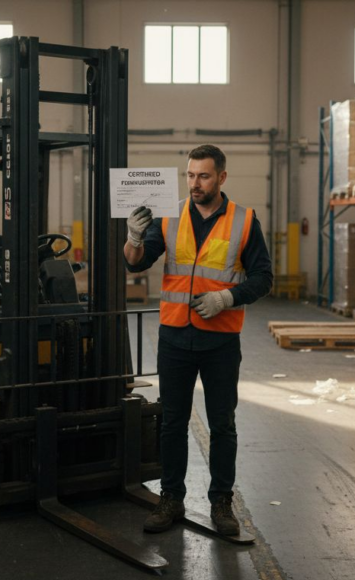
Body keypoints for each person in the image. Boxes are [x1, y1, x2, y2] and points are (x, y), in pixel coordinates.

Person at [124, 144, 273, 536]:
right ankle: (171, 499)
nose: (195, 183)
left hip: (221, 341)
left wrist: (227, 297)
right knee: (171, 423)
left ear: (221, 178)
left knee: (222, 425)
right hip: (174, 337)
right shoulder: (170, 216)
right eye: (190, 175)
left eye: (203, 176)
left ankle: (221, 503)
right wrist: (134, 237)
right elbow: (136, 261)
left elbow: (263, 278)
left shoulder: (244, 220)